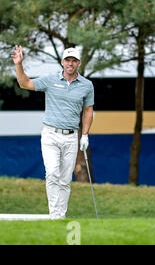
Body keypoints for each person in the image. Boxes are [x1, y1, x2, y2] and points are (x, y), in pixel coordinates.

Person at [11, 45, 94, 220]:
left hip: (72, 136)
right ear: (63, 62)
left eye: (74, 61)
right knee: (52, 173)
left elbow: (88, 110)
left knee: (65, 179)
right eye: (67, 60)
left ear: (79, 63)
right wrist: (19, 64)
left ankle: (60, 215)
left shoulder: (87, 85)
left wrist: (85, 135)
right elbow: (25, 83)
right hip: (50, 134)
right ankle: (55, 214)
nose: (70, 63)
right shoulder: (50, 80)